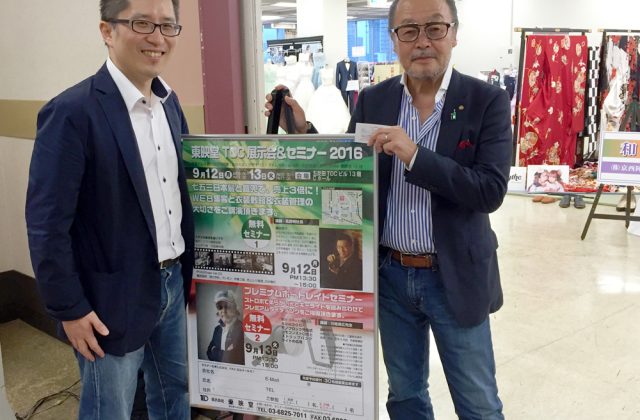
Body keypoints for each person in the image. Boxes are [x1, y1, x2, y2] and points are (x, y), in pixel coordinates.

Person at [265, 0, 510, 417]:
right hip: (390, 275)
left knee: (478, 402)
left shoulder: (486, 100)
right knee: (405, 394)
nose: (422, 41)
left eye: (434, 28)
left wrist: (415, 156)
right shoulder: (374, 99)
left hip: (455, 274)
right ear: (394, 40)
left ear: (454, 33)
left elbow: (490, 190)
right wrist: (304, 131)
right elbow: (348, 168)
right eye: (408, 31)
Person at [25, 0, 194, 418]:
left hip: (172, 282)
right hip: (108, 299)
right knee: (110, 409)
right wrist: (70, 309)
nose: (157, 38)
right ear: (107, 30)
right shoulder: (71, 112)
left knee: (175, 396)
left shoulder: (170, 105)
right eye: (142, 23)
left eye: (168, 26)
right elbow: (46, 224)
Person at [206, 290, 245, 365]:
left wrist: (215, 351)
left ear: (235, 308)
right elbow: (209, 352)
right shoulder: (217, 329)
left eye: (227, 306)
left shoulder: (242, 329)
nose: (223, 311)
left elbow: (234, 358)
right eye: (220, 307)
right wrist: (225, 353)